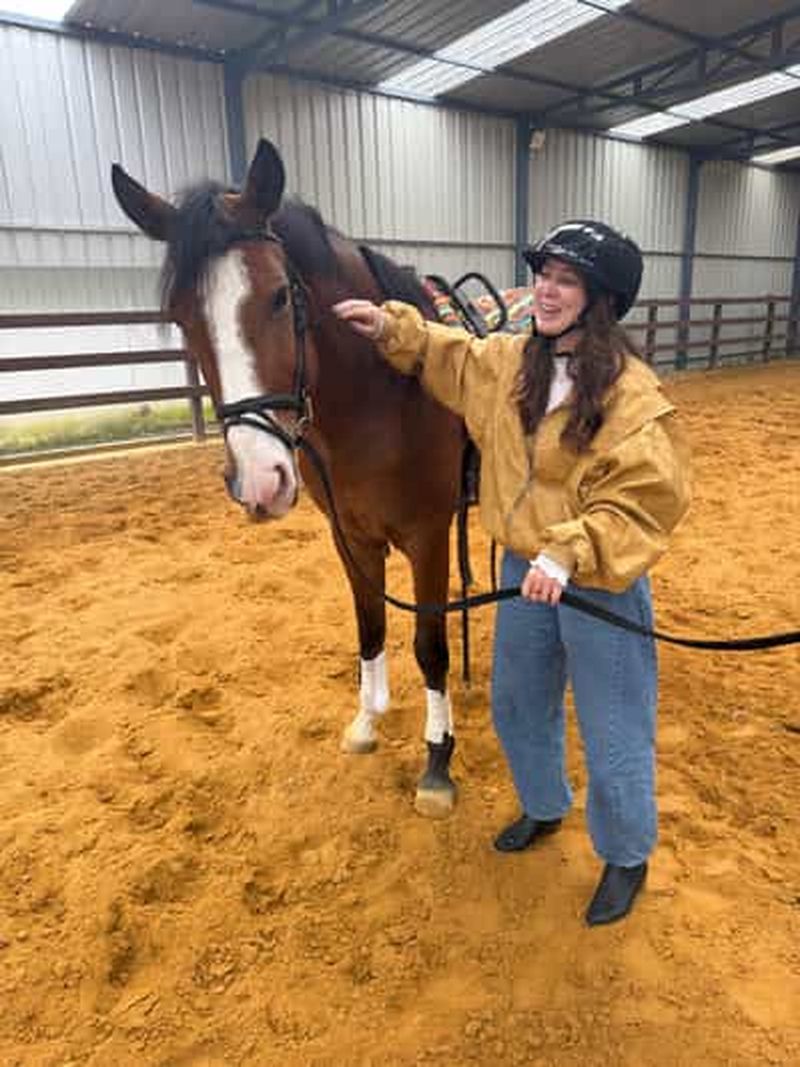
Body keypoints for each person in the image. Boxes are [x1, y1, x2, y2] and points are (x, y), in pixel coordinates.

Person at [333, 220, 691, 926]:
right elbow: (450, 353)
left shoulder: (634, 396)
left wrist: (570, 549)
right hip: (525, 568)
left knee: (613, 723)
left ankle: (625, 855)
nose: (547, 292)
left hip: (597, 581)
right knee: (518, 701)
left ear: (601, 301)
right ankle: (546, 805)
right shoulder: (509, 364)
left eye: (566, 281)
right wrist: (389, 326)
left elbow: (646, 498)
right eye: (545, 275)